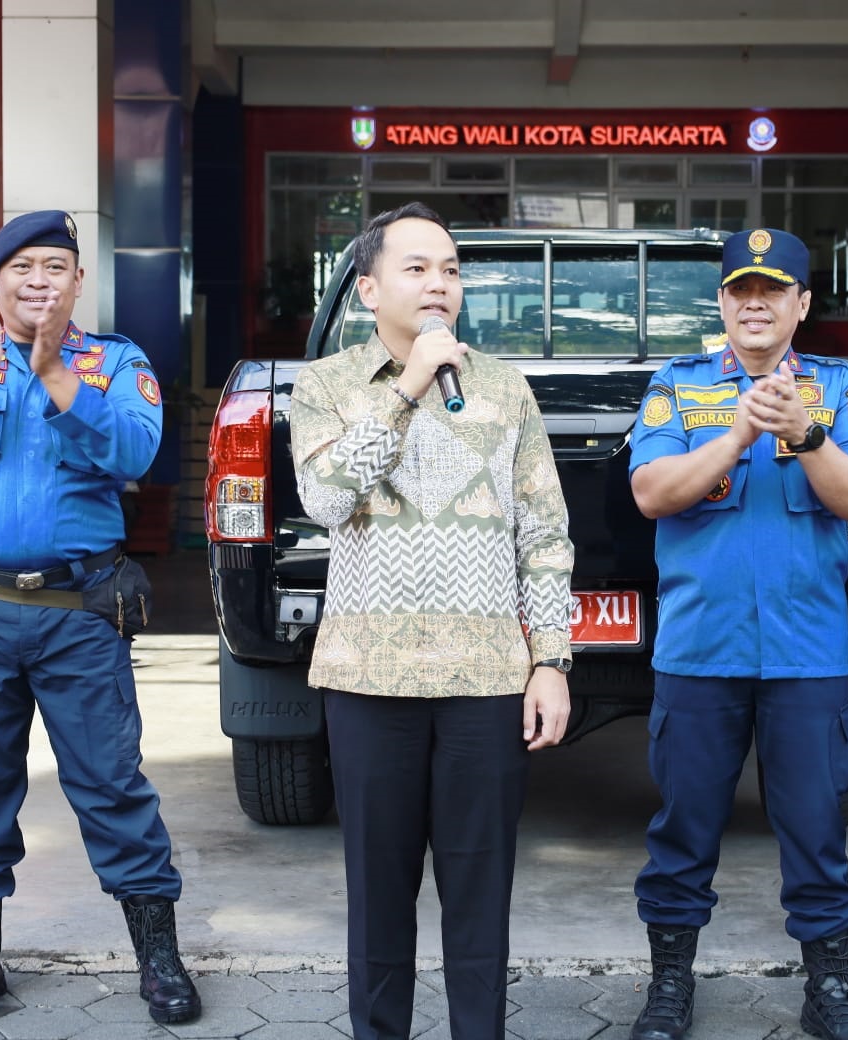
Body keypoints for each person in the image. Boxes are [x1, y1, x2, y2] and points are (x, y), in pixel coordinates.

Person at [0, 210, 200, 1027]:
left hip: (79, 612)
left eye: (56, 266)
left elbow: (136, 453)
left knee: (112, 788)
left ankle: (160, 963)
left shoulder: (114, 362)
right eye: (22, 267)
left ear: (78, 283)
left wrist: (58, 379)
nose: (39, 281)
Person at [288, 202, 574, 1040]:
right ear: (369, 288)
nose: (439, 284)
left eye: (450, 269)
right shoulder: (326, 386)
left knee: (480, 889)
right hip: (370, 679)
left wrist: (550, 660)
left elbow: (545, 532)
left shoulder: (503, 388)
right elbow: (328, 498)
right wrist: (407, 388)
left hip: (485, 680)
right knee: (378, 893)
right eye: (417, 269)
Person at [626, 228, 848, 1040]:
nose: (754, 303)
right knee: (684, 825)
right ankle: (669, 985)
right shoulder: (679, 387)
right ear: (721, 303)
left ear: (802, 304)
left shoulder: (842, 390)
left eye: (773, 290)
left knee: (815, 827)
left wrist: (806, 434)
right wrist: (738, 433)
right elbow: (651, 492)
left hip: (808, 655)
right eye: (741, 289)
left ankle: (829, 989)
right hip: (700, 652)